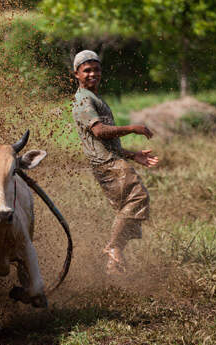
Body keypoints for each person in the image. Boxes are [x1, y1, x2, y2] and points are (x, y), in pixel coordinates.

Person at [71, 50, 159, 275]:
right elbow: (99, 131)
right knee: (138, 197)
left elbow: (106, 141)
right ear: (76, 75)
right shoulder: (83, 99)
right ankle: (113, 247)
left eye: (96, 69)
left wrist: (132, 155)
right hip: (106, 164)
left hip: (112, 158)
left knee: (128, 210)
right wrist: (132, 128)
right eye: (87, 70)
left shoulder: (95, 98)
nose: (93, 74)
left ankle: (114, 266)